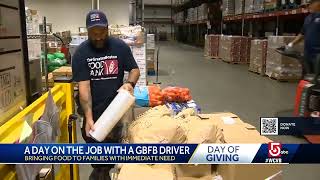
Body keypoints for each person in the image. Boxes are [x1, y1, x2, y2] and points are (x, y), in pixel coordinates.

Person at [72, 10, 140, 180]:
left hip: (115, 113)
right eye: (93, 33)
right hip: (94, 116)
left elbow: (134, 69)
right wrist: (88, 118)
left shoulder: (119, 47)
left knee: (112, 158)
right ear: (87, 32)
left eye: (101, 32)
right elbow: (84, 88)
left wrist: (129, 84)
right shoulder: (81, 53)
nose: (98, 37)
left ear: (107, 29)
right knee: (99, 162)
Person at [288, 0, 320, 73]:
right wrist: (291, 44)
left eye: (310, 4)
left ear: (318, 3)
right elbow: (302, 34)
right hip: (308, 55)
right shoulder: (307, 18)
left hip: (318, 56)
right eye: (307, 5)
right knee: (307, 78)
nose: (308, 7)